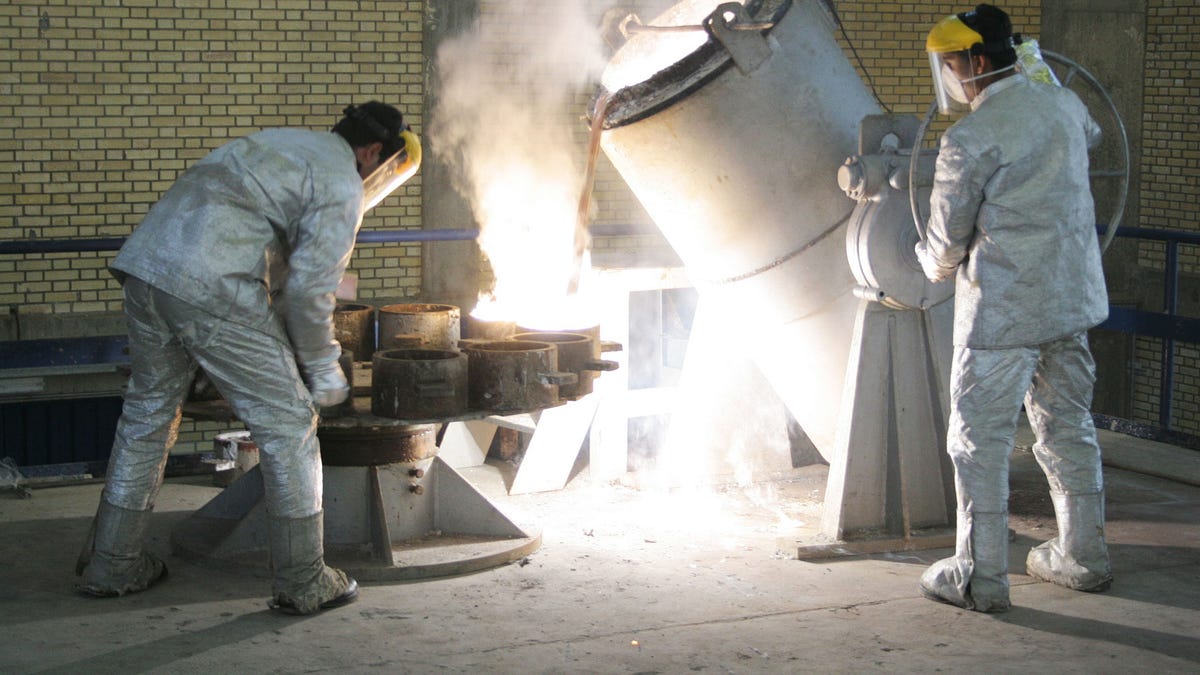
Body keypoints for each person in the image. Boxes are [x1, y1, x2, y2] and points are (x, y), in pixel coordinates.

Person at [75, 101, 415, 615]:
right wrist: (324, 370)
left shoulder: (283, 143)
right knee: (291, 422)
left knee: (148, 416)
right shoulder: (342, 180)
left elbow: (271, 259)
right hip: (212, 285)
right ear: (371, 153)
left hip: (148, 271)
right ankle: (304, 580)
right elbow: (308, 291)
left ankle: (112, 564)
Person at [914, 4, 1113, 612]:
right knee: (1068, 429)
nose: (948, 77)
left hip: (1002, 315)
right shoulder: (1065, 106)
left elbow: (947, 242)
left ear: (975, 62)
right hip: (1070, 304)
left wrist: (930, 263)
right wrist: (1035, 75)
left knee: (979, 442)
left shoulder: (968, 137)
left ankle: (981, 576)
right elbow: (1092, 135)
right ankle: (1082, 557)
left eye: (951, 65)